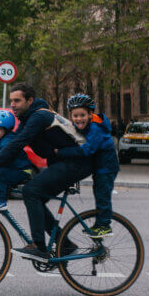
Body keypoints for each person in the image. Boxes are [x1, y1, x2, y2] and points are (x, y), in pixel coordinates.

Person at [0, 83, 91, 262]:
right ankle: (65, 244)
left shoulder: (39, 117)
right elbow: (10, 144)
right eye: (11, 101)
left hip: (77, 162)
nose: (13, 105)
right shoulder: (28, 119)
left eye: (17, 100)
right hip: (64, 162)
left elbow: (18, 144)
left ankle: (39, 247)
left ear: (30, 100)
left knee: (30, 192)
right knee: (35, 198)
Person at [54, 94, 119, 238]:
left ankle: (104, 226)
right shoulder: (88, 125)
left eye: (82, 115)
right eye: (75, 116)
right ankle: (99, 223)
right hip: (100, 167)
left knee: (102, 195)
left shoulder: (96, 128)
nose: (79, 119)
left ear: (90, 114)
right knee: (98, 193)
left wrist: (61, 152)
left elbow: (87, 150)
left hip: (107, 168)